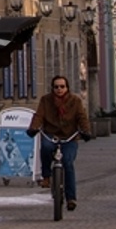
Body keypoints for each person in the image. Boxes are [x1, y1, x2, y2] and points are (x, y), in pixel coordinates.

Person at [26, 75, 92, 211]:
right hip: (51, 135)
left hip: (69, 137)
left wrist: (86, 131)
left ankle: (71, 198)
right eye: (56, 87)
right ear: (52, 88)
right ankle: (46, 177)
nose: (59, 89)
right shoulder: (46, 100)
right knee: (45, 147)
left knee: (68, 163)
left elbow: (82, 117)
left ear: (67, 88)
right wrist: (34, 127)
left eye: (62, 86)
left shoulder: (75, 101)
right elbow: (39, 116)